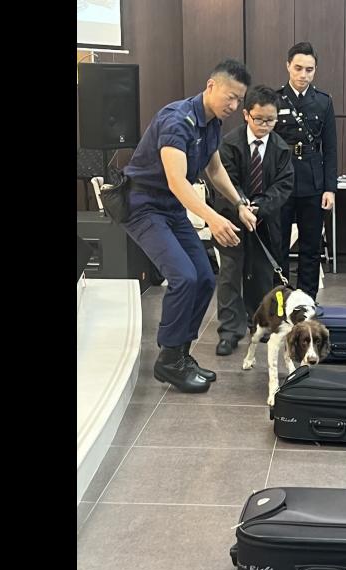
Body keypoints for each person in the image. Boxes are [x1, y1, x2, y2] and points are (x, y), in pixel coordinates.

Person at [122, 59, 256, 393]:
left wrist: (239, 204)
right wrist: (212, 217)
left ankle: (180, 354)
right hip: (144, 207)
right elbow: (177, 181)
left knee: (205, 277)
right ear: (211, 86)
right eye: (230, 97)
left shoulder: (212, 123)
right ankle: (168, 360)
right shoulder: (176, 120)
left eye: (239, 100)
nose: (234, 106)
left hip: (171, 208)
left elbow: (215, 170)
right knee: (183, 277)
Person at [212, 85, 295, 356]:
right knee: (230, 274)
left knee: (261, 275)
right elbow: (225, 180)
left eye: (271, 120)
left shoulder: (280, 147)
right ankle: (229, 332)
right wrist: (241, 204)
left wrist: (259, 208)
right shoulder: (230, 143)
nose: (264, 125)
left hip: (265, 222)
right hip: (232, 219)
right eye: (259, 119)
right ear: (246, 114)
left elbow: (284, 185)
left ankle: (258, 324)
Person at [273, 42, 338, 301]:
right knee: (278, 246)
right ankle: (279, 301)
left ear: (315, 70)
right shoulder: (275, 99)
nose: (303, 75)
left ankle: (307, 301)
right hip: (281, 180)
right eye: (298, 68)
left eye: (309, 70)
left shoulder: (323, 102)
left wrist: (330, 188)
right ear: (288, 66)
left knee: (311, 246)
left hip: (312, 181)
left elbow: (330, 149)